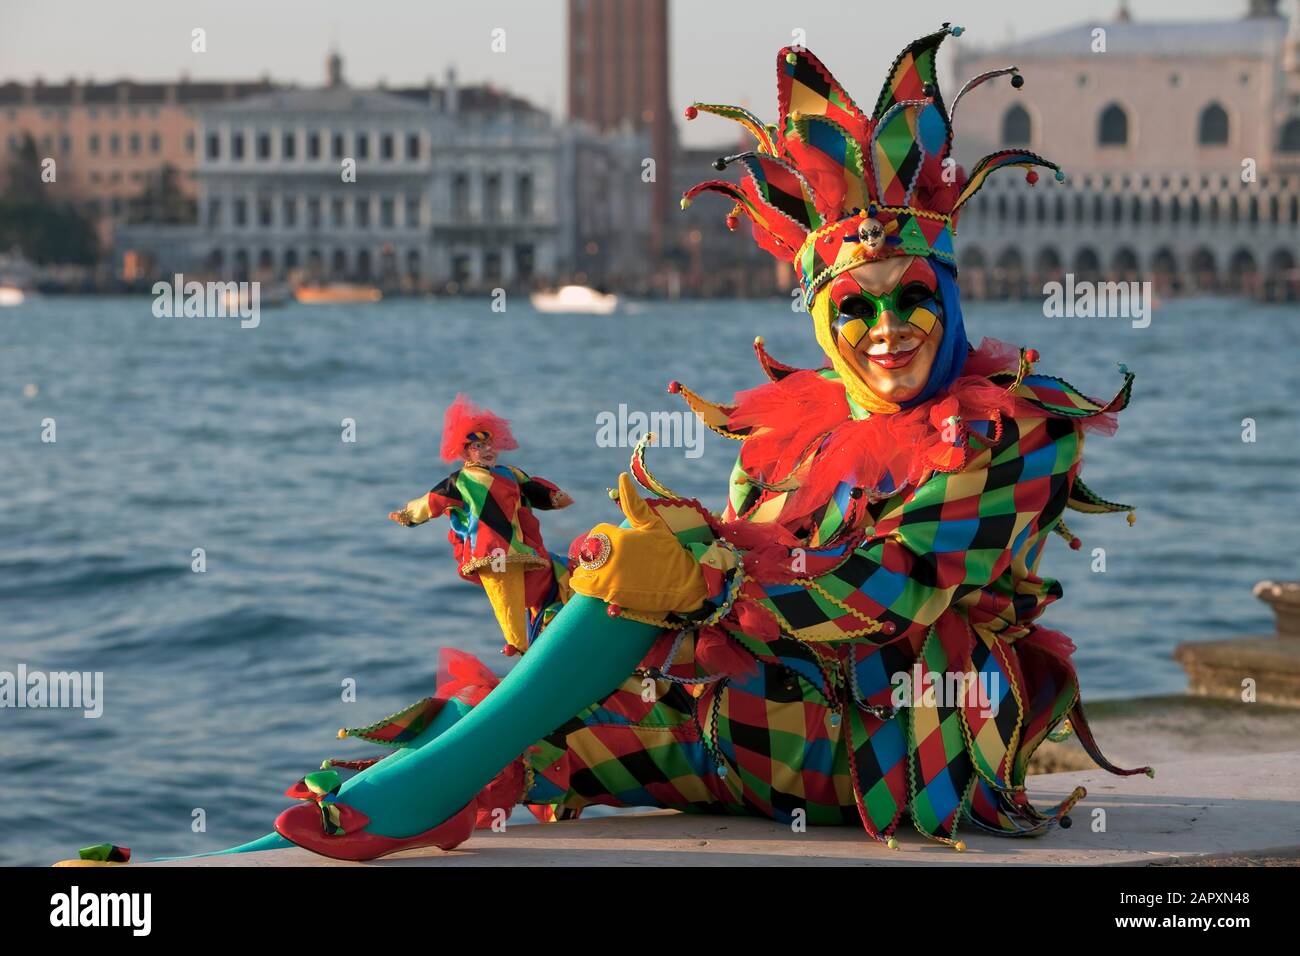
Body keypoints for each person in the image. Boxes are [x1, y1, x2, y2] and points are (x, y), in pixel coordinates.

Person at [57, 24, 1149, 867]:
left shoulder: (1010, 430)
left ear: (947, 298)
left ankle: (391, 806)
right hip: (759, 727)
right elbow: (732, 620)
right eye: (851, 310)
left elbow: (892, 592)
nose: (884, 330)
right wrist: (553, 568)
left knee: (609, 617)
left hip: (898, 754)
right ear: (820, 317)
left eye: (909, 297)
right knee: (507, 725)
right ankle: (220, 858)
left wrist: (699, 568)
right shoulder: (784, 437)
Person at [388, 394, 574, 656]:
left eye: (489, 444)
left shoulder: (510, 473)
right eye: (478, 446)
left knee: (536, 587)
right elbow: (431, 502)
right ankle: (520, 649)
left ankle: (548, 624)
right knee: (506, 601)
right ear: (464, 451)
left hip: (520, 548)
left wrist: (554, 498)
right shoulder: (459, 482)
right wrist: (408, 515)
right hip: (488, 553)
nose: (487, 450)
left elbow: (533, 489)